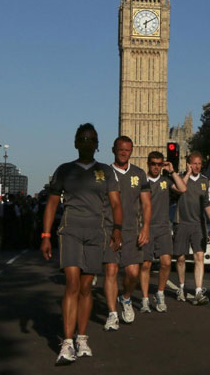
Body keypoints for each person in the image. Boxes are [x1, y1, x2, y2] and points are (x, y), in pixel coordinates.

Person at [40, 123, 122, 365]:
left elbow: (116, 204)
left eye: (91, 139)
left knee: (86, 289)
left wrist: (117, 229)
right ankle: (66, 343)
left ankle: (82, 338)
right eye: (83, 138)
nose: (87, 142)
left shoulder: (106, 172)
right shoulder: (64, 170)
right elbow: (52, 204)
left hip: (96, 234)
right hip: (71, 232)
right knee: (72, 285)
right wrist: (46, 236)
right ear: (76, 143)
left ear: (97, 145)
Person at [102, 136, 151, 331]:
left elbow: (147, 204)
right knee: (111, 271)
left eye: (127, 150)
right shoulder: (104, 173)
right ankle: (112, 314)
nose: (124, 153)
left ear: (131, 151)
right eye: (121, 149)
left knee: (132, 273)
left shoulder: (139, 174)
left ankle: (126, 297)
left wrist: (145, 228)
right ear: (114, 150)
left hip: (132, 231)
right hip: (108, 229)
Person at [140, 151, 187, 313]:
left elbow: (182, 189)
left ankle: (159, 293)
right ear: (148, 163)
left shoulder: (166, 180)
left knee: (166, 263)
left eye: (159, 164)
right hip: (146, 227)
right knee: (145, 265)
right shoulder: (142, 181)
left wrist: (172, 171)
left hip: (163, 228)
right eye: (153, 163)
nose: (156, 167)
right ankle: (145, 299)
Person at [174, 152, 210, 305]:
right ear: (188, 164)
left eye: (199, 164)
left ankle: (198, 291)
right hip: (182, 223)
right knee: (180, 258)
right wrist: (186, 173)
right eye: (194, 163)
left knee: (199, 257)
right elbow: (180, 190)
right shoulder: (180, 178)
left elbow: (208, 204)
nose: (197, 166)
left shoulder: (205, 181)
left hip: (198, 225)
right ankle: (181, 287)